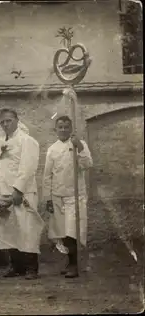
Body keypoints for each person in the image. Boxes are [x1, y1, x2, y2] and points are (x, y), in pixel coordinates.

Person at [0, 108, 44, 280]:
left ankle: (31, 267)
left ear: (16, 120)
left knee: (27, 228)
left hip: (22, 191)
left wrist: (18, 190)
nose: (6, 124)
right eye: (3, 122)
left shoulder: (27, 141)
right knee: (10, 228)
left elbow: (28, 167)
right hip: (4, 190)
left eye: (9, 120)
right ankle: (17, 266)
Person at [43, 115, 93, 278]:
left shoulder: (79, 144)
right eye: (60, 127)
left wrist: (79, 147)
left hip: (75, 195)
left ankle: (74, 264)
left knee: (73, 231)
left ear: (71, 129)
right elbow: (47, 175)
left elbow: (87, 165)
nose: (63, 130)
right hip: (58, 195)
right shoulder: (52, 149)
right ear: (55, 130)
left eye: (66, 127)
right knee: (62, 232)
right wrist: (48, 198)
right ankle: (70, 262)